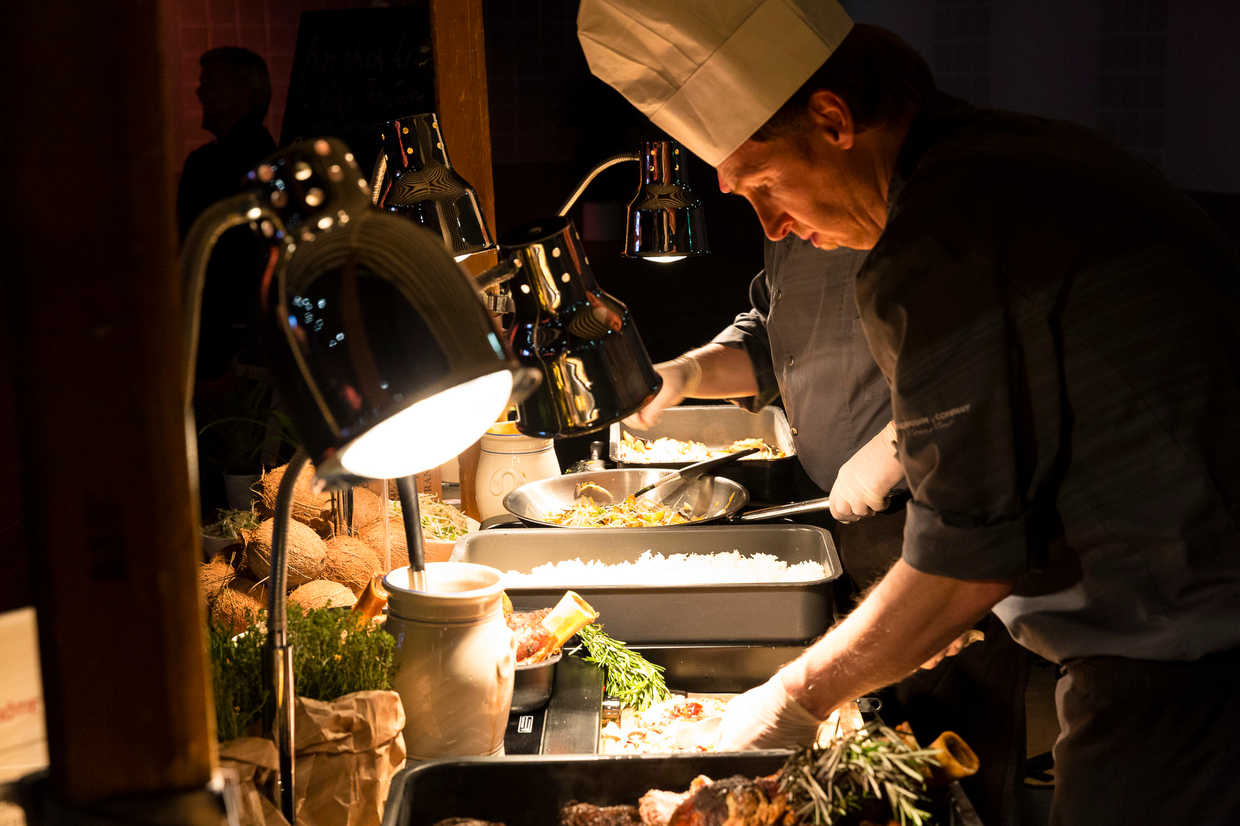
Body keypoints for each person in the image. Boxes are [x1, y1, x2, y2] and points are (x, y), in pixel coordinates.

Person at [578, 3, 1240, 824]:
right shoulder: (1013, 157)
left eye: (764, 185)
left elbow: (966, 559)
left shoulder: (941, 234)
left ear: (834, 120)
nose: (773, 223)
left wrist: (794, 695)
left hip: (1187, 665)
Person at [177, 46, 278, 382]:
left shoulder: (229, 162)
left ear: (245, 91)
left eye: (211, 82)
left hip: (226, 328)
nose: (199, 92)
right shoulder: (264, 156)